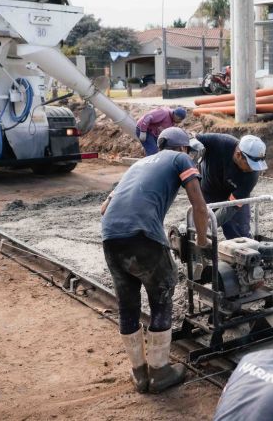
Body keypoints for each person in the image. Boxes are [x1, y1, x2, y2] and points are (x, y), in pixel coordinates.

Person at [100, 127, 209, 394]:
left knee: (128, 305)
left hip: (111, 236)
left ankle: (139, 373)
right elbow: (198, 203)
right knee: (161, 294)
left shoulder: (138, 164)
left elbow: (104, 208)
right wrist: (203, 242)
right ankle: (159, 372)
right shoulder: (180, 159)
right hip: (143, 236)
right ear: (183, 148)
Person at [195, 133, 268, 239]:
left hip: (233, 197)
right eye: (250, 165)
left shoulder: (252, 175)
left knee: (240, 237)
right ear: (238, 155)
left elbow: (231, 206)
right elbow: (189, 139)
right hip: (208, 191)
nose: (253, 169)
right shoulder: (219, 142)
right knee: (198, 232)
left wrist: (209, 225)